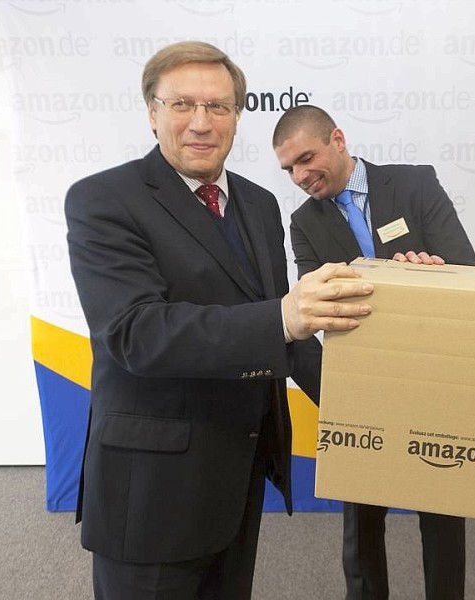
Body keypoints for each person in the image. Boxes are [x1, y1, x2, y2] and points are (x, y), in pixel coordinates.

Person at [65, 42, 373, 600]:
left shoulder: (257, 203)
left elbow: (286, 331)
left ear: (236, 117)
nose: (202, 123)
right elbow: (138, 334)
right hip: (153, 488)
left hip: (240, 471)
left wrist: (371, 408)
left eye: (220, 107)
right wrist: (284, 316)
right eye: (183, 104)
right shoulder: (102, 200)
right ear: (152, 112)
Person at [272, 104, 475, 599]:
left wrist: (434, 272)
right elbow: (321, 304)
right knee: (361, 520)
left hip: (434, 379)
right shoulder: (303, 223)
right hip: (363, 386)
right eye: (289, 169)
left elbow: (467, 270)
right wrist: (397, 284)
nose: (300, 176)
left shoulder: (414, 185)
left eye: (306, 158)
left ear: (338, 139)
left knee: (442, 512)